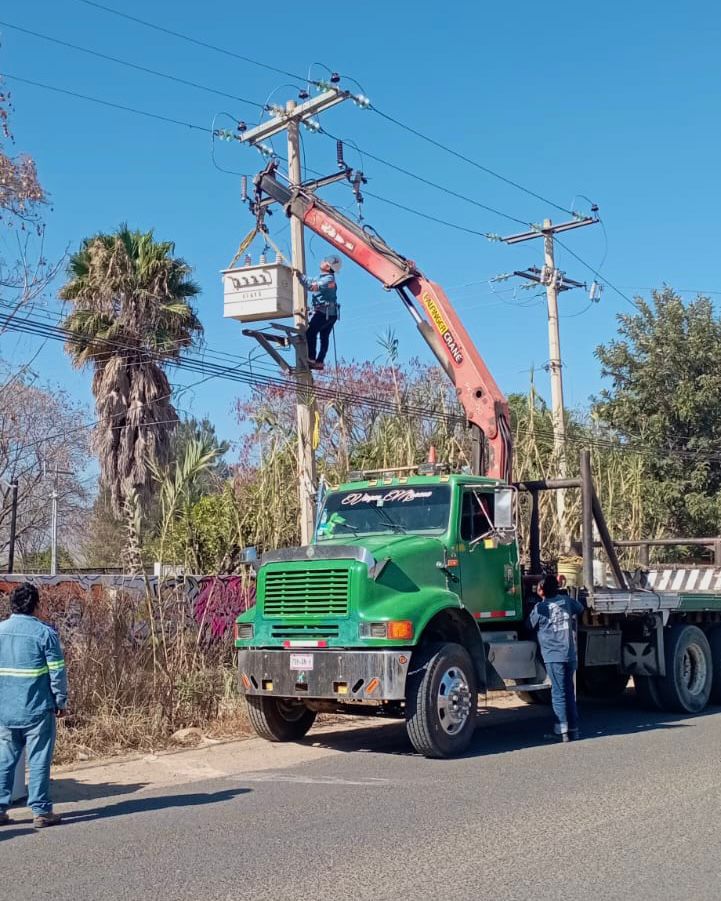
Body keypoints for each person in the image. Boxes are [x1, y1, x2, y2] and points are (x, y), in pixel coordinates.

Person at [0, 582, 67, 828]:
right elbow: (57, 672)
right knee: (39, 759)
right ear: (36, 605)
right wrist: (60, 700)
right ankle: (41, 811)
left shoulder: (1, 630)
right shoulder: (44, 633)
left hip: (5, 709)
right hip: (37, 709)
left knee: (5, 759)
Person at [529, 574, 584, 742]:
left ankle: (561, 731)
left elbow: (529, 625)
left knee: (558, 693)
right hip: (569, 654)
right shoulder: (566, 601)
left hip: (554, 656)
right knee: (569, 691)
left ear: (542, 590)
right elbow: (580, 608)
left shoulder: (540, 608)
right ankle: (573, 729)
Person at [293, 255, 342, 371]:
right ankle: (319, 361)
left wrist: (300, 278)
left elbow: (312, 286)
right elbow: (312, 281)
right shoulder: (325, 278)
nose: (322, 261)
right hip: (330, 314)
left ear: (328, 266)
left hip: (324, 313)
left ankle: (311, 359)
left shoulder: (328, 280)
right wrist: (301, 276)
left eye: (325, 261)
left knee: (311, 333)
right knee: (324, 337)